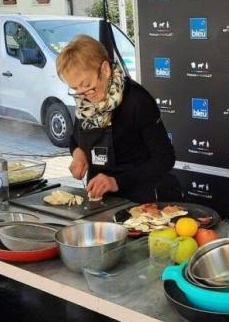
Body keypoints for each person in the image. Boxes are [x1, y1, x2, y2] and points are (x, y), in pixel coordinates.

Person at [56, 35, 179, 202]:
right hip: (100, 201)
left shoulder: (137, 101)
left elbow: (164, 158)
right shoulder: (85, 103)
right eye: (75, 88)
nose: (83, 95)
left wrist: (117, 181)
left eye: (86, 85)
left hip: (140, 201)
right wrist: (78, 154)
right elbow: (76, 140)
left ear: (105, 69)